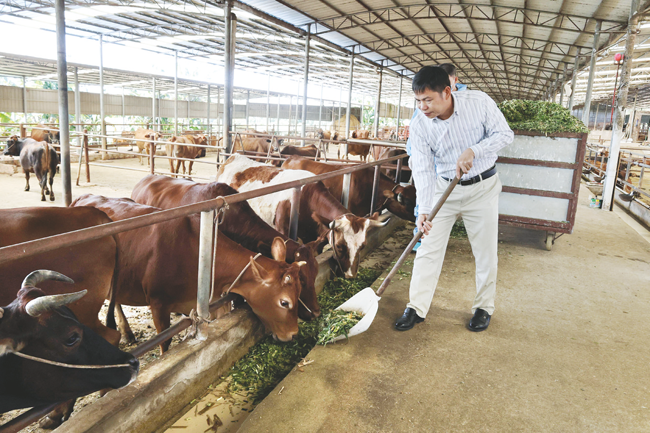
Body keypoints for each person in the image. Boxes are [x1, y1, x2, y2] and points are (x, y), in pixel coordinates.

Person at [395, 66, 513, 333]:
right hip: (444, 188)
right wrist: (423, 210)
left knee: (485, 251)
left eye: (428, 100)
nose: (422, 107)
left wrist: (474, 150)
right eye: (418, 101)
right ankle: (416, 307)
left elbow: (505, 134)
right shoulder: (420, 124)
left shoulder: (478, 102)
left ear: (447, 92)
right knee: (427, 248)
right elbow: (423, 169)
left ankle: (484, 307)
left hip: (482, 188)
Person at [407, 63, 467, 252]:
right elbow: (416, 133)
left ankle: (436, 237)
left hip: (453, 166)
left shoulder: (465, 102)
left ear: (453, 82)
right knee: (424, 200)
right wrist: (414, 154)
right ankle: (421, 241)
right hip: (430, 161)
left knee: (444, 204)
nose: (423, 105)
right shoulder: (424, 106)